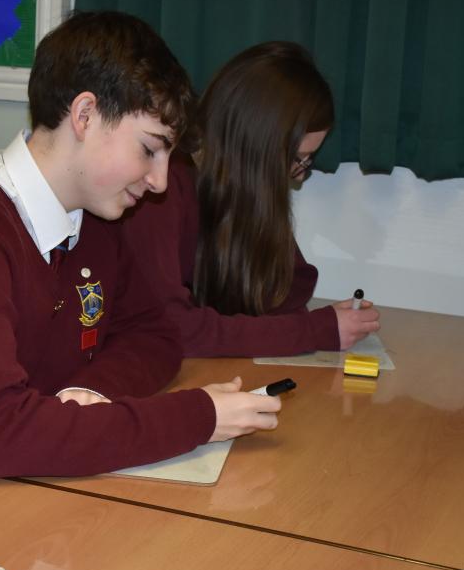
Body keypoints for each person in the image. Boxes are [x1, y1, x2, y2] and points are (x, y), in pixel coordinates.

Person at [0, 12, 280, 481]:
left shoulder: (95, 219)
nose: (161, 181)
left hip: (37, 480)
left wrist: (90, 393)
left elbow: (156, 336)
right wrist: (196, 418)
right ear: (84, 115)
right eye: (149, 149)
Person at [121, 41, 381, 358]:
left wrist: (315, 326)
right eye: (297, 159)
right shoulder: (160, 188)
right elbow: (173, 328)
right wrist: (315, 331)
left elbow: (289, 292)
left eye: (307, 161)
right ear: (257, 149)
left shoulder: (241, 190)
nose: (299, 176)